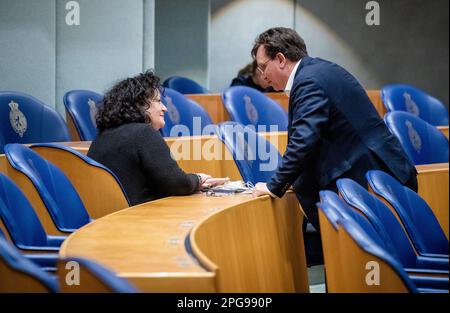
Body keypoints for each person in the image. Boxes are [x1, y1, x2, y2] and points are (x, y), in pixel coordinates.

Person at [250, 27, 417, 257]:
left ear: (280, 59)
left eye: (262, 66)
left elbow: (303, 140)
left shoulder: (308, 81)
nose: (262, 75)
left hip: (372, 182)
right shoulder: (320, 70)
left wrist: (272, 186)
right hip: (378, 176)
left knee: (369, 270)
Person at [88, 70, 216, 206]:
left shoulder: (101, 136)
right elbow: (177, 183)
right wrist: (199, 179)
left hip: (106, 218)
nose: (164, 108)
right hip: (137, 219)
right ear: (140, 104)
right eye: (158, 101)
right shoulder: (143, 133)